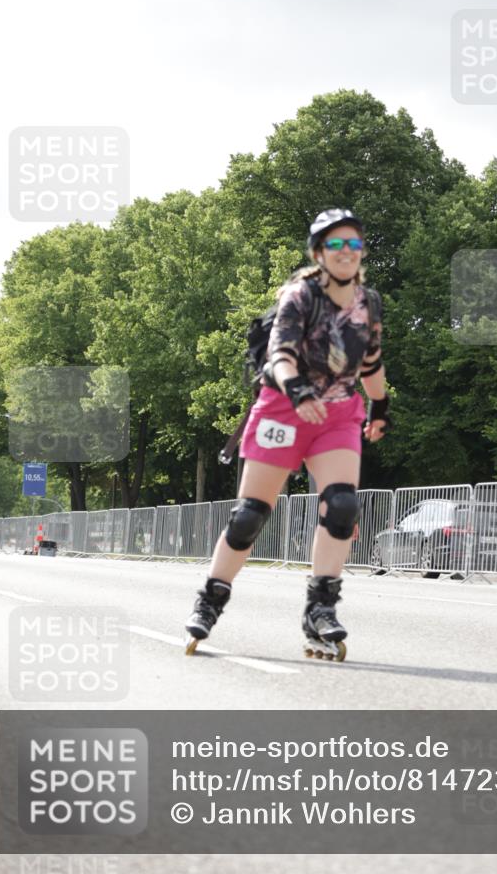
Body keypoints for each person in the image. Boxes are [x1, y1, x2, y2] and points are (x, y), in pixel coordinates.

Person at [185, 207, 390, 659]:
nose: (346, 251)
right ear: (319, 252)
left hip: (337, 413)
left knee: (342, 506)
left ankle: (320, 610)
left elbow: (371, 363)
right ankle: (210, 600)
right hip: (283, 408)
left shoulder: (369, 303)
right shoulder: (300, 296)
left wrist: (381, 407)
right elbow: (279, 354)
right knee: (250, 515)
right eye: (335, 244)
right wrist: (297, 390)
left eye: (354, 243)